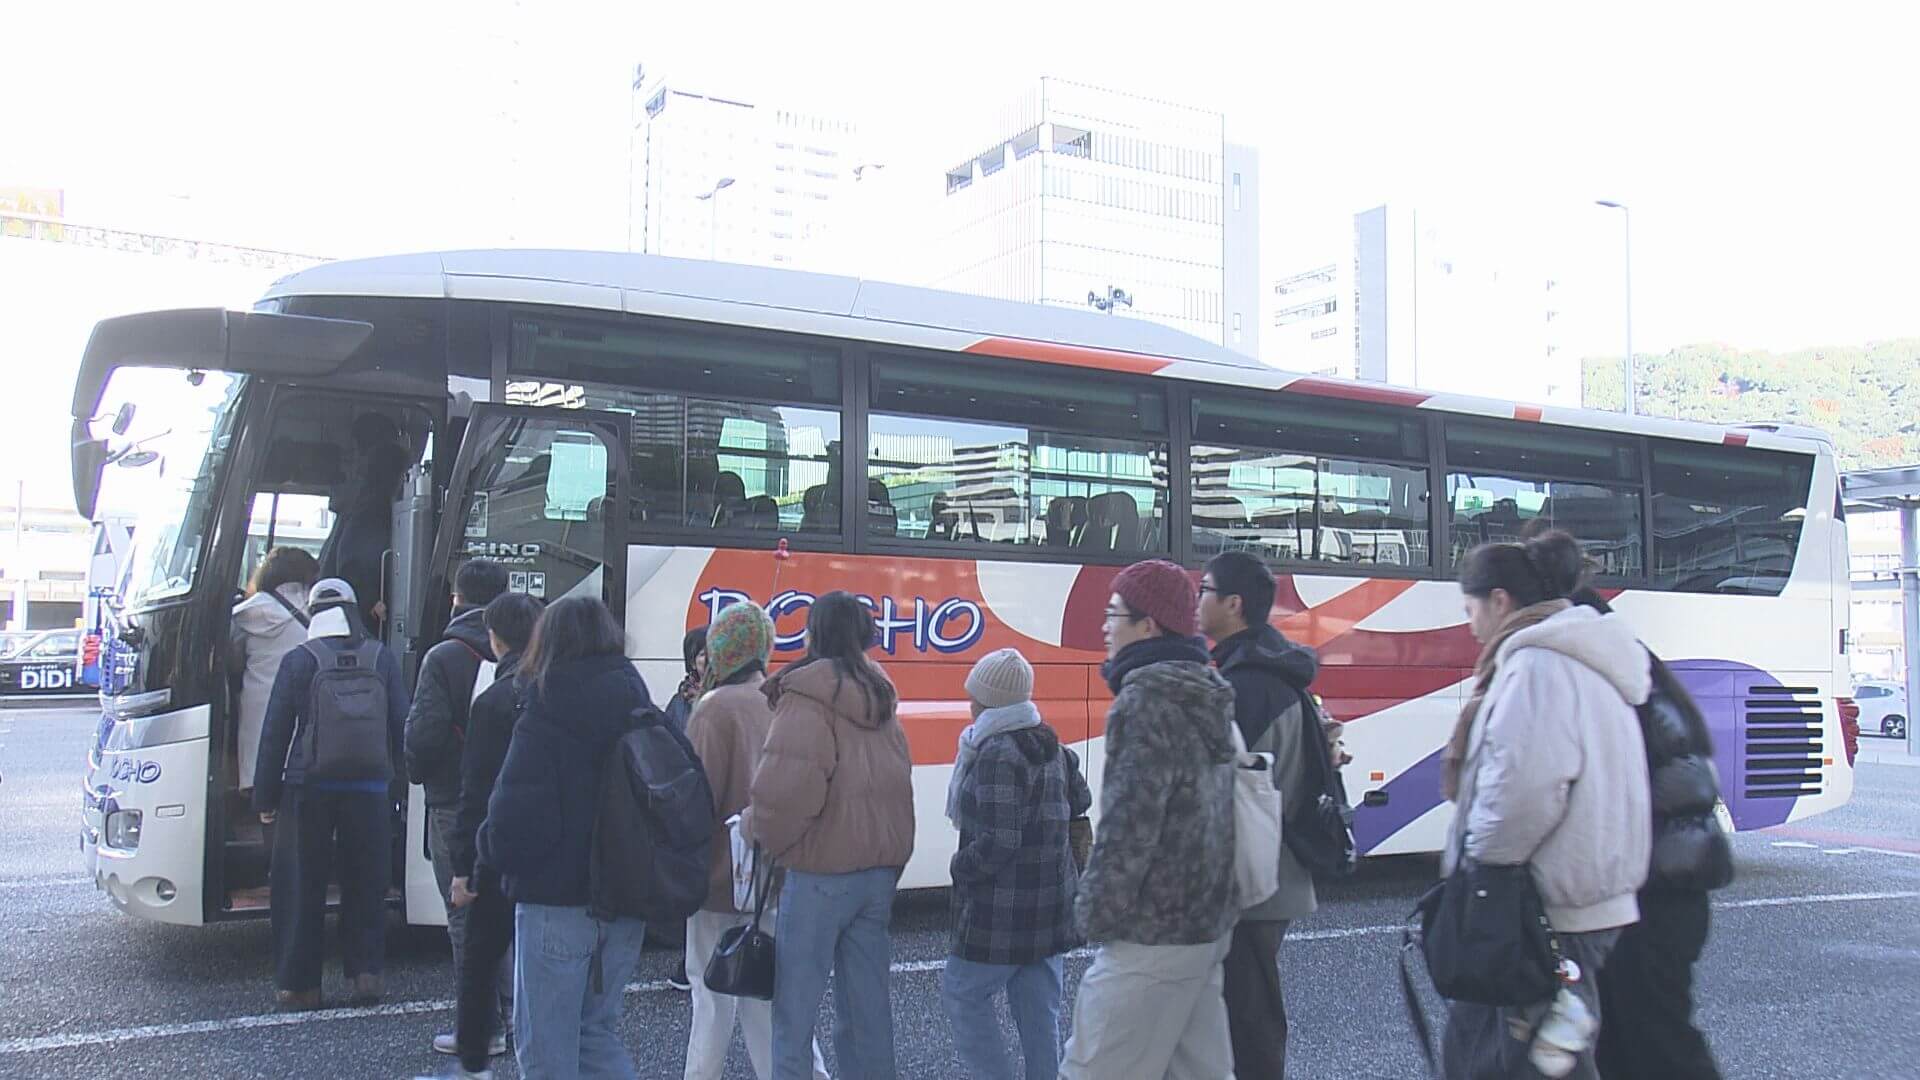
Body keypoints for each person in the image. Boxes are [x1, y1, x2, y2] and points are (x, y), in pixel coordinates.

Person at [1440, 533, 1652, 1080]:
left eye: (1470, 609)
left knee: (1511, 1057)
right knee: (1553, 1053)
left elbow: (1523, 791)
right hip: (1588, 899)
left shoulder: (1537, 667)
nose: (1469, 625)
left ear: (1500, 601)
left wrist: (1478, 860)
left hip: (1541, 908)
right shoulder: (1589, 658)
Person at [1061, 559, 1239, 1080]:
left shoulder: (1144, 700)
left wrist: (1092, 909)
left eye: (1114, 613)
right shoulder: (1205, 694)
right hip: (1205, 921)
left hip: (1152, 932)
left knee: (1091, 1070)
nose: (1104, 626)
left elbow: (1129, 829)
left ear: (1149, 625)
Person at [479, 596, 654, 1080]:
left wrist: (487, 852)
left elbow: (512, 820)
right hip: (624, 898)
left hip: (557, 901)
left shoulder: (545, 705)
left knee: (545, 1053)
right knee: (596, 1034)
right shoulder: (637, 699)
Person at [750, 591, 914, 1080]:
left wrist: (768, 842)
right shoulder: (881, 695)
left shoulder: (806, 698)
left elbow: (785, 794)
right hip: (877, 872)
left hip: (819, 870)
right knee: (866, 1012)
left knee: (794, 1013)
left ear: (812, 633)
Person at [1573, 590, 1732, 1080]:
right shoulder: (1645, 683)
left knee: (1660, 1044)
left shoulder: (1628, 693)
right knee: (1627, 1043)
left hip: (1656, 896)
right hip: (1668, 892)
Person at [681, 602, 830, 1080]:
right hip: (775, 874)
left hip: (720, 878)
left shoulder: (712, 710)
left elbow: (695, 797)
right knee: (769, 996)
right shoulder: (781, 700)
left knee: (711, 997)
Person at [252, 578, 410, 1010]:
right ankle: (366, 976)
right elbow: (402, 725)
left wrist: (264, 798)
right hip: (370, 790)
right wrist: (400, 787)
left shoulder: (299, 660)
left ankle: (300, 986)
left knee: (301, 885)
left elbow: (275, 733)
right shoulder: (382, 657)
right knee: (367, 882)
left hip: (309, 789)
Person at [1197, 551, 1320, 1080]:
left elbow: (1229, 788)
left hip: (1253, 879)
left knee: (1250, 1021)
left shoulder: (1245, 683)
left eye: (1205, 589)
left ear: (1233, 604)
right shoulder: (1271, 670)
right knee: (1248, 1013)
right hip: (1274, 871)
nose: (1197, 599)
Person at [941, 647, 1090, 1080]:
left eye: (975, 694)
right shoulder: (1048, 741)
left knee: (963, 994)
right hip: (1052, 903)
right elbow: (1081, 801)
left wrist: (960, 866)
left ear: (989, 700)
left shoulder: (996, 752)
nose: (970, 702)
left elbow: (1000, 840)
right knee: (1038, 1012)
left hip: (1004, 912)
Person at [418, 592, 543, 1080]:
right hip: (545, 853)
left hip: (497, 851)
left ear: (495, 638)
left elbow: (476, 794)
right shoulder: (551, 692)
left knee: (479, 952)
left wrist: (464, 869)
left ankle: (474, 1062)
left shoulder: (494, 701)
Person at [409, 559, 511, 1057]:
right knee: (509, 912)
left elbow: (423, 735)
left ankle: (480, 1028)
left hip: (453, 801)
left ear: (457, 599)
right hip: (509, 800)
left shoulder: (443, 656)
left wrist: (416, 771)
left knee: (464, 914)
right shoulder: (529, 652)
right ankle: (518, 1020)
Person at [230, 546, 320, 797]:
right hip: (303, 700)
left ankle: (257, 796)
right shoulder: (316, 607)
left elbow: (232, 657)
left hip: (258, 701)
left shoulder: (247, 612)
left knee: (260, 758)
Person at [658, 624, 708, 993]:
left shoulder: (728, 695)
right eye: (700, 653)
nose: (706, 660)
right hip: (690, 803)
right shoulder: (682, 699)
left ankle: (693, 964)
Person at [321, 439, 410, 635]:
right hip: (365, 609)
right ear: (393, 474)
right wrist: (370, 599)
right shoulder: (373, 509)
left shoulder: (360, 502)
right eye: (405, 473)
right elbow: (356, 558)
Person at [665, 626, 709, 732]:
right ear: (693, 663)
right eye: (703, 654)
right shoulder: (678, 704)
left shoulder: (730, 695)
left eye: (714, 652)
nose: (709, 659)